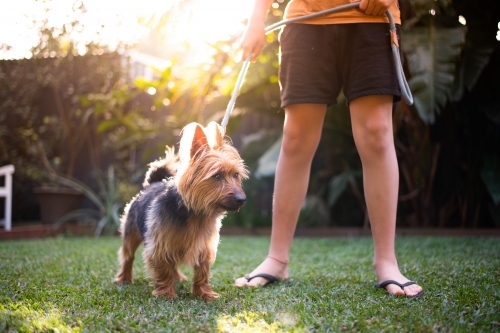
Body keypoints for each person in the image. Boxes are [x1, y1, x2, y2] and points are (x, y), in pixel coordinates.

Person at [234, 0, 423, 297]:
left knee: (376, 133)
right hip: (305, 20)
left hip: (372, 20)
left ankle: (387, 261)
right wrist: (256, 18)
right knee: (296, 138)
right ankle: (277, 258)